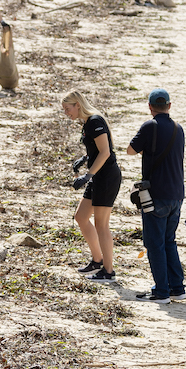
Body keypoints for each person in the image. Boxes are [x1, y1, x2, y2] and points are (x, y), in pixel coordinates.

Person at [124, 88, 186, 303]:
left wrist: (148, 151)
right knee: (169, 240)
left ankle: (161, 292)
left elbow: (130, 150)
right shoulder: (179, 129)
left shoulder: (149, 126)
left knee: (154, 243)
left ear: (150, 107)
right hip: (177, 194)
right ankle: (177, 287)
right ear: (169, 106)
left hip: (156, 194)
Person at [61, 90, 120, 283]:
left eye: (67, 109)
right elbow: (96, 150)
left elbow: (105, 152)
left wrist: (88, 175)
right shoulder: (87, 123)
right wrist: (85, 158)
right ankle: (97, 260)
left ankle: (108, 271)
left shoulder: (95, 121)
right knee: (81, 217)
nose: (66, 113)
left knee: (101, 225)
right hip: (97, 175)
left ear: (77, 104)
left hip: (106, 176)